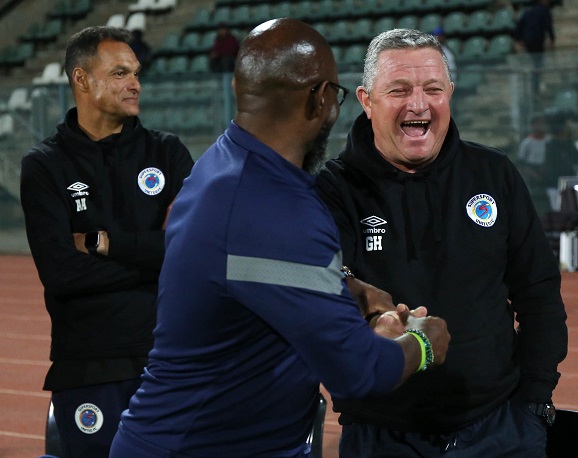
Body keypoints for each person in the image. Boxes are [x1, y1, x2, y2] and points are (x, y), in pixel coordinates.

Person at [109, 19, 450, 458]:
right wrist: (424, 343)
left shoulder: (221, 165)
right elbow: (358, 370)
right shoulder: (275, 206)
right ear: (321, 99)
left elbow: (247, 271)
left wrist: (347, 291)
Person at [316, 28, 568, 457]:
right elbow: (324, 296)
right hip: (381, 436)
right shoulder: (333, 188)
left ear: (449, 92)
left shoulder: (494, 174)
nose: (418, 104)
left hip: (501, 430)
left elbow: (539, 292)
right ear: (366, 100)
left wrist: (535, 400)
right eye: (398, 90)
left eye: (433, 88)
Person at [19, 26, 194, 458]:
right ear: (81, 79)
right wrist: (155, 255)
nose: (134, 83)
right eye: (119, 73)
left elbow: (191, 255)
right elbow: (62, 274)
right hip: (89, 365)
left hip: (170, 358)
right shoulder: (44, 167)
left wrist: (105, 243)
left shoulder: (168, 153)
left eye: (135, 73)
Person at [514, 0, 555, 94]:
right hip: (537, 40)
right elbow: (548, 25)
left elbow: (518, 26)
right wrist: (552, 38)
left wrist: (519, 39)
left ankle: (535, 85)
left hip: (528, 40)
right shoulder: (544, 11)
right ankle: (535, 87)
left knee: (536, 62)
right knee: (538, 63)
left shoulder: (528, 11)